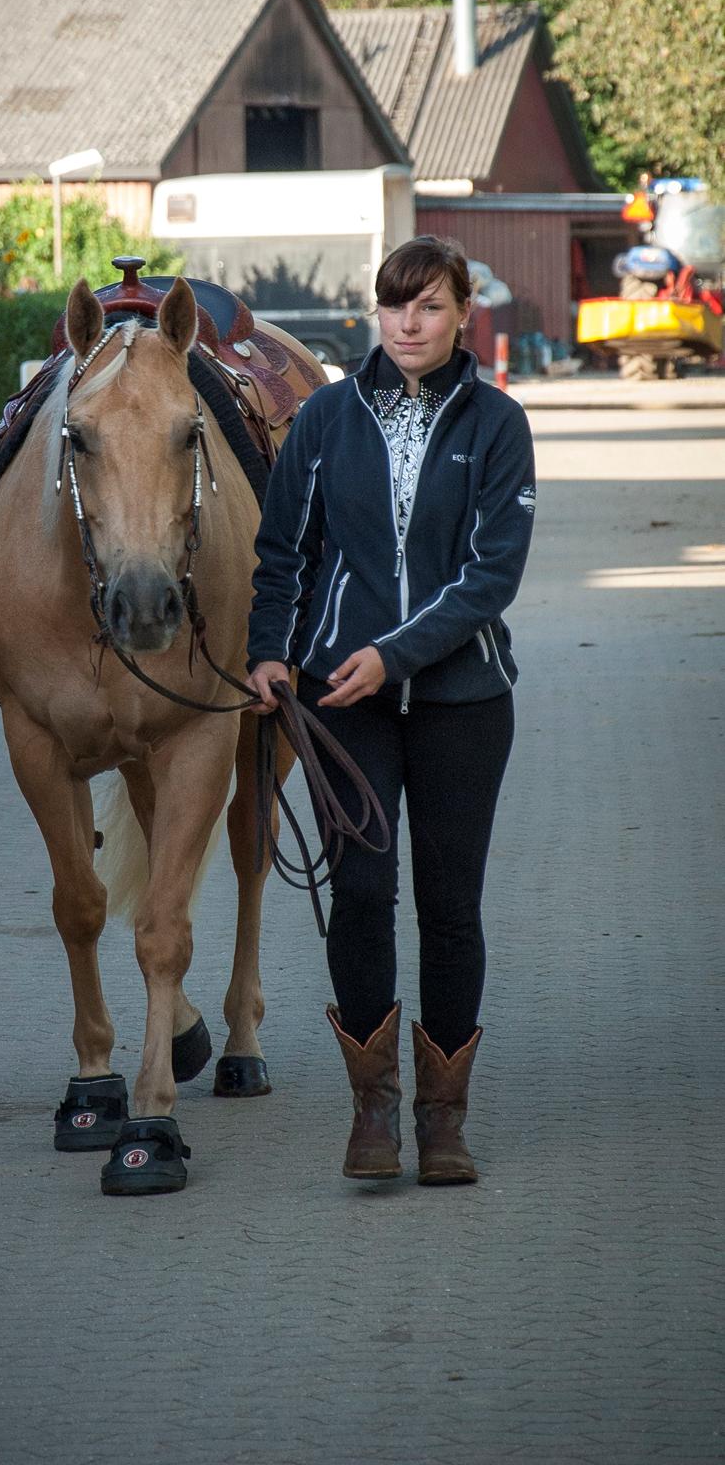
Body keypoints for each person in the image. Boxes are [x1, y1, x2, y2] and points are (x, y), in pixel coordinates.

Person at [246, 236, 535, 1185]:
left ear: (461, 314)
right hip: (339, 701)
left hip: (463, 701)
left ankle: (442, 1122)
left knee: (450, 911)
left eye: (429, 306)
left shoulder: (497, 424)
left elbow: (489, 576)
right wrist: (269, 652)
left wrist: (394, 654)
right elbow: (282, 550)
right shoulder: (324, 417)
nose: (408, 323)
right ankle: (370, 1113)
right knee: (362, 897)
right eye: (393, 306)